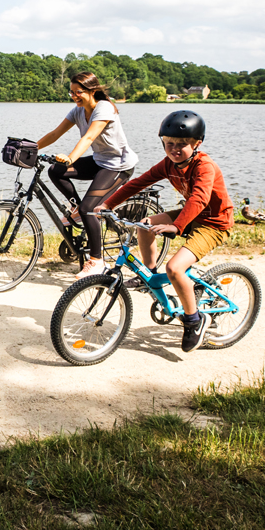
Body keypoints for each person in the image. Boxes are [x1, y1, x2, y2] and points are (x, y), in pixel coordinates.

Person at [102, 109, 234, 353]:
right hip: (190, 215)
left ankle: (194, 320)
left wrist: (177, 225)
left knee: (174, 268)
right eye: (169, 143)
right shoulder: (168, 164)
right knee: (145, 224)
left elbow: (199, 198)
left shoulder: (204, 166)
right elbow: (137, 183)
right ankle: (149, 275)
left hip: (213, 223)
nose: (174, 149)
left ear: (197, 144)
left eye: (182, 144)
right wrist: (108, 203)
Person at [34, 71, 138, 279]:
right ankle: (76, 208)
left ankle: (97, 261)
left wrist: (71, 157)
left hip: (118, 166)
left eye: (78, 92)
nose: (74, 96)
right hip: (100, 161)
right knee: (56, 170)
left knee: (89, 209)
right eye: (71, 92)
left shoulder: (105, 108)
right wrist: (31, 147)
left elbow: (89, 136)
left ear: (92, 90)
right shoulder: (77, 111)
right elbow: (55, 134)